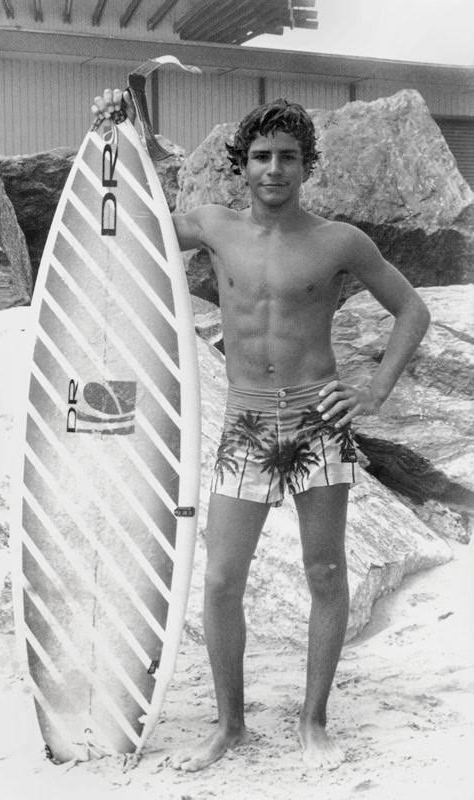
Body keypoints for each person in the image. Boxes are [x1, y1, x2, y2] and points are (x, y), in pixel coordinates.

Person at [92, 89, 430, 771]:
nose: (273, 168)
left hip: (316, 420)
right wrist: (115, 131)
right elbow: (130, 216)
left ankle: (312, 720)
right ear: (240, 166)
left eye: (286, 157)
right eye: (259, 157)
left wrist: (372, 391)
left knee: (325, 570)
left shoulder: (339, 241)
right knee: (219, 579)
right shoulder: (214, 226)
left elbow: (411, 310)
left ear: (305, 166)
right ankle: (230, 724)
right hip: (245, 421)